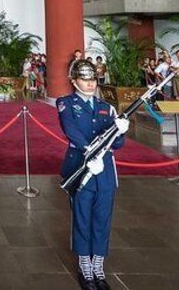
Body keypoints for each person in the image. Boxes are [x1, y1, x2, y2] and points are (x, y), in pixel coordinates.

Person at [58, 59, 130, 290]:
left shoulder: (106, 107)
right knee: (82, 218)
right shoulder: (66, 104)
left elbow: (117, 144)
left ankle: (98, 266)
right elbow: (71, 131)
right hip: (81, 167)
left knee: (102, 219)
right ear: (74, 81)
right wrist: (90, 152)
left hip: (105, 171)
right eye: (85, 80)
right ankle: (85, 267)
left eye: (93, 80)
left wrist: (120, 130)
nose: (90, 84)